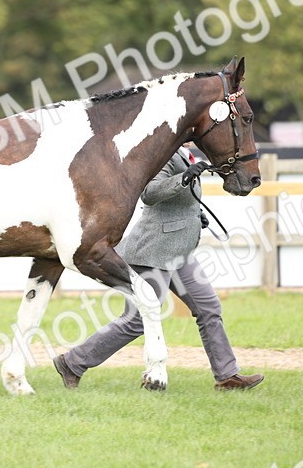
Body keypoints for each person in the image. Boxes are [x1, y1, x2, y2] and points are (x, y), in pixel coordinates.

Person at [53, 143, 264, 391]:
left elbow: (180, 202)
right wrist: (184, 178)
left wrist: (194, 216)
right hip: (152, 251)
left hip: (179, 250)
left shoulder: (184, 153)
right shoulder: (164, 153)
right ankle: (72, 362)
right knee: (136, 322)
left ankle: (227, 376)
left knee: (208, 308)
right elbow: (150, 193)